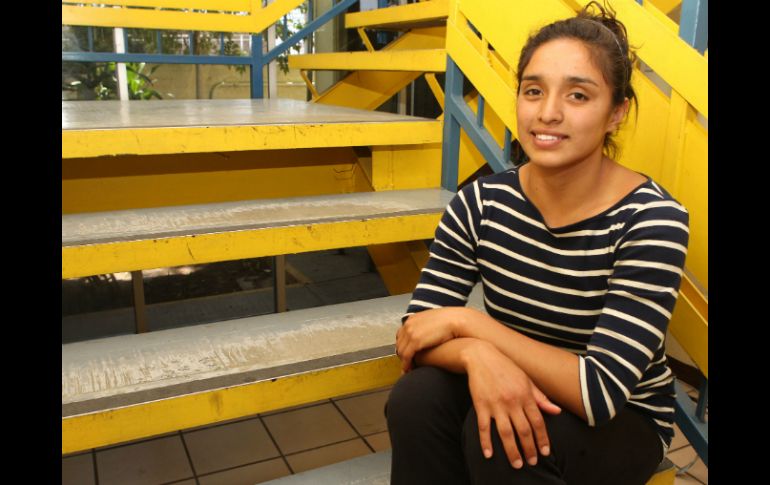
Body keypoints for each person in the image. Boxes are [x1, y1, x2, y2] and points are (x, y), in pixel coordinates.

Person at [385, 2, 690, 484]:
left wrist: (470, 324)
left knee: (509, 442)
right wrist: (477, 355)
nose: (548, 114)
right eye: (533, 91)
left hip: (623, 416)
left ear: (617, 113)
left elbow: (600, 391)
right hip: (516, 369)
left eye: (578, 95)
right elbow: (415, 333)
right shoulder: (481, 203)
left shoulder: (651, 219)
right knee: (415, 399)